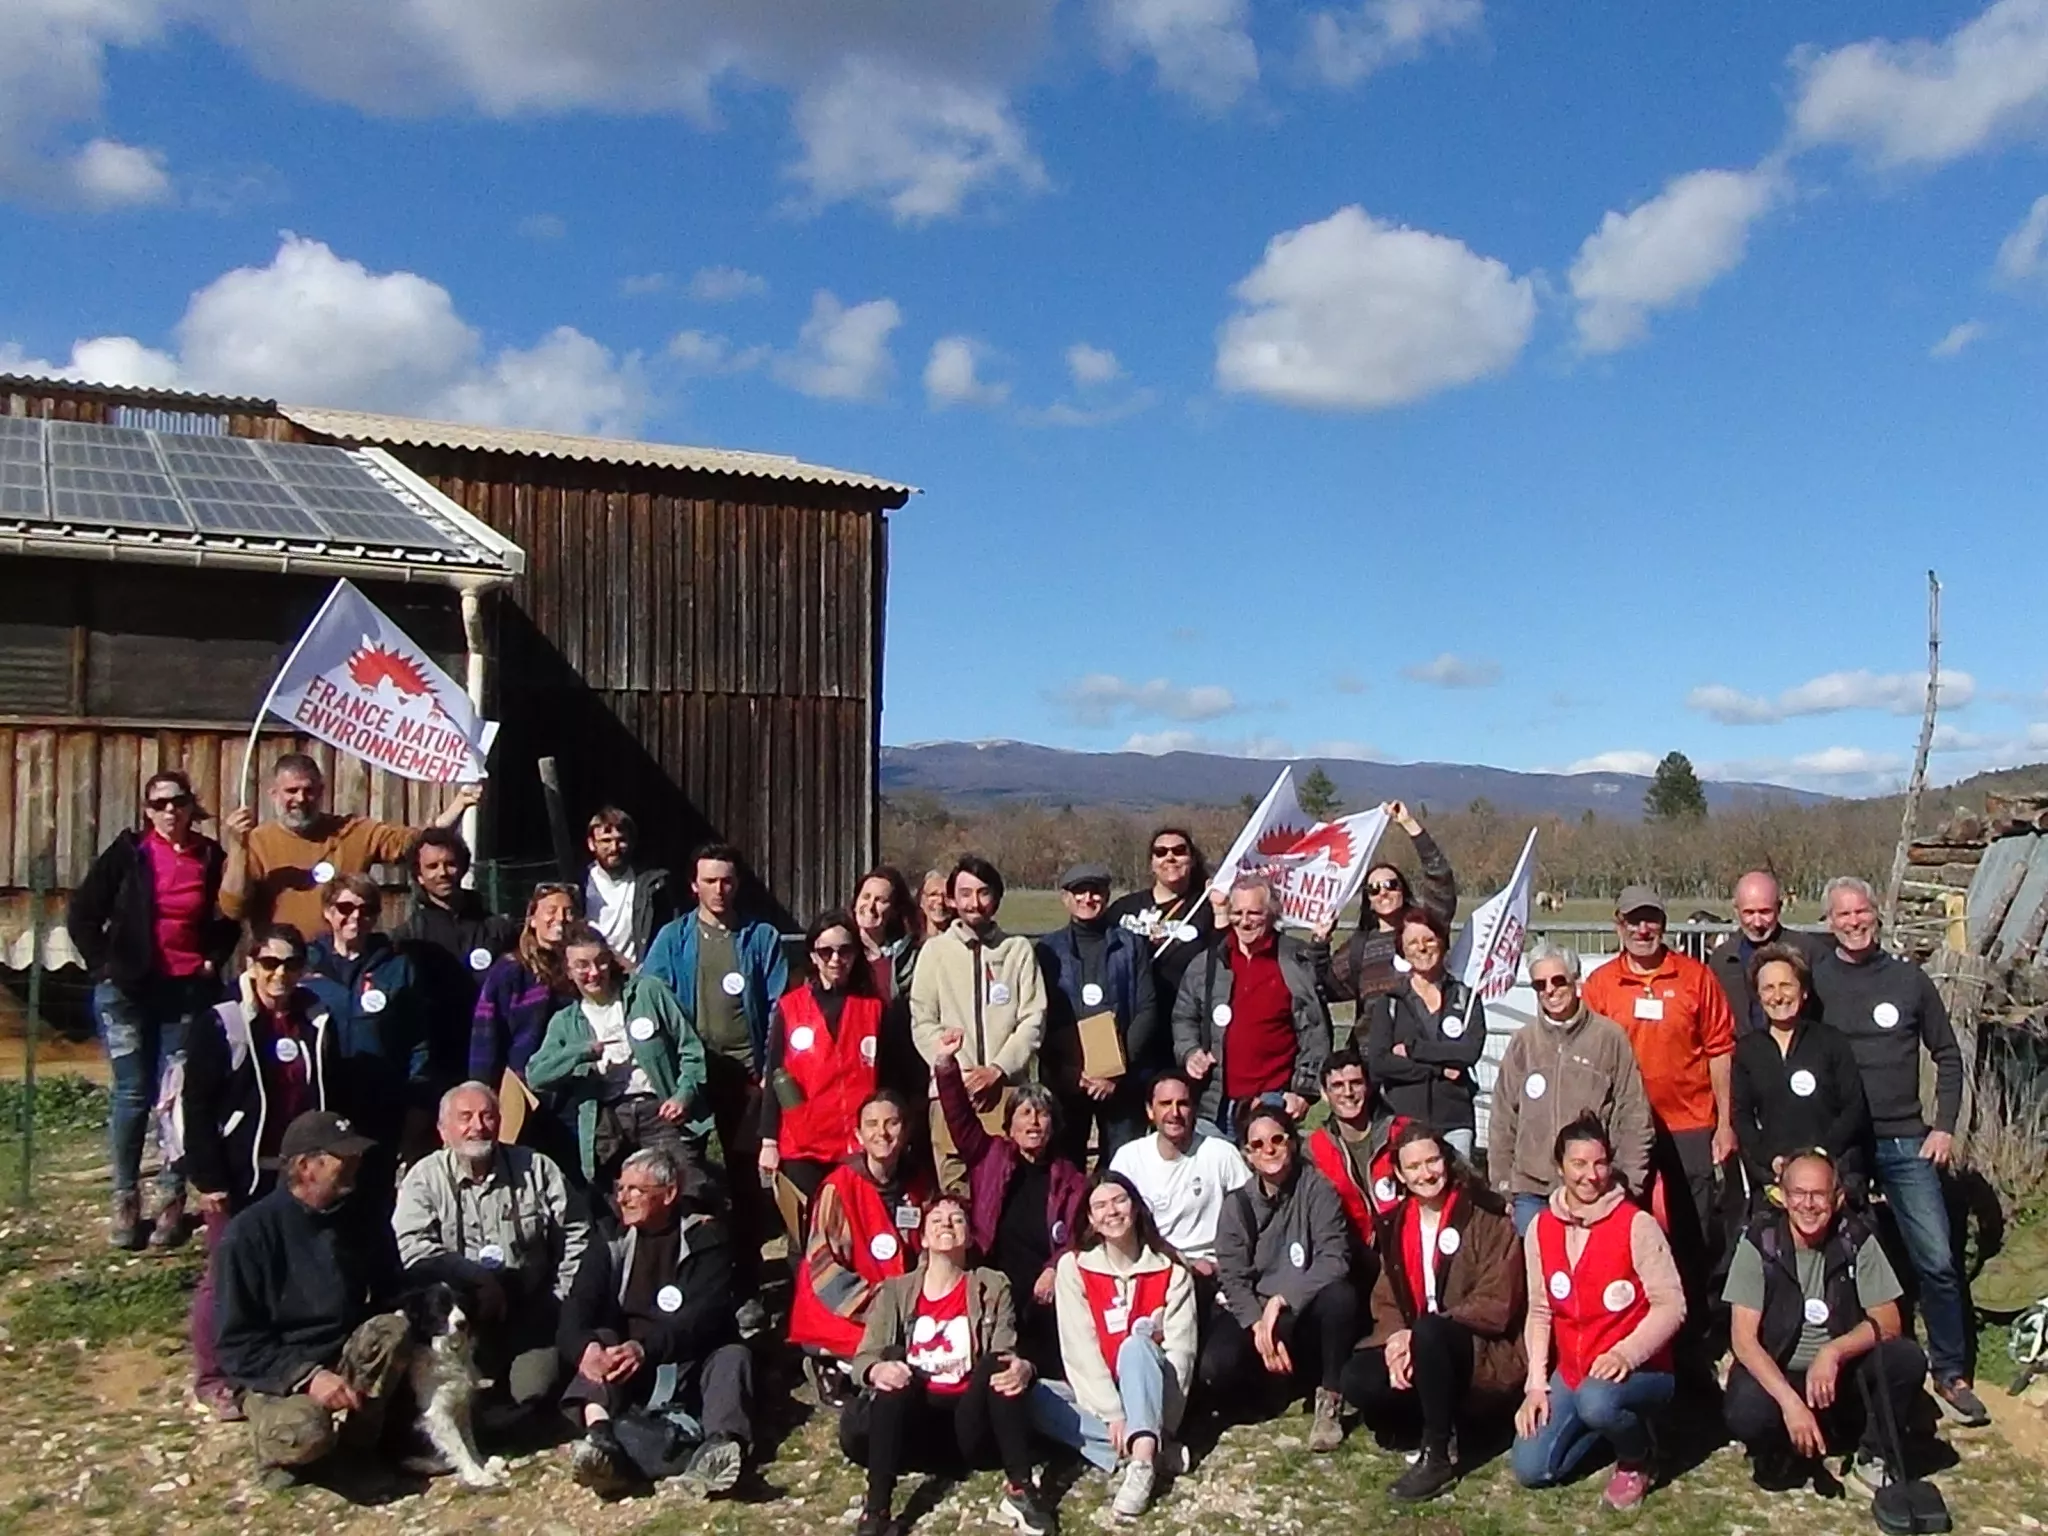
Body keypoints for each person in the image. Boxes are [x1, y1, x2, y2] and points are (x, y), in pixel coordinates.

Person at [1810, 875, 1984, 1426]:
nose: (1854, 922)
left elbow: (1949, 1058)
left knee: (1935, 1258)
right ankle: (1851, 1368)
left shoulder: (1909, 982)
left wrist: (1945, 1127)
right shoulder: (1816, 981)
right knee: (1839, 1261)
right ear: (1829, 922)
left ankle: (1950, 1371)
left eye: (1861, 912)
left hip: (1906, 1139)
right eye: (1843, 915)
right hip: (1843, 1146)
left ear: (1876, 915)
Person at [67, 768, 235, 1250]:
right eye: (158, 804)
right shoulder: (129, 853)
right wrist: (102, 964)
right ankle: (125, 1198)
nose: (169, 812)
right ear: (147, 811)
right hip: (128, 989)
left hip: (184, 990)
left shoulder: (209, 856)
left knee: (175, 1098)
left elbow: (229, 914)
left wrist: (213, 958)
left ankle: (169, 1199)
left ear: (190, 806)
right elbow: (82, 911)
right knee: (132, 1094)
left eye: (177, 802)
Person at [182, 924, 339, 1420]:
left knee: (285, 1270)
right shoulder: (221, 1022)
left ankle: (273, 1366)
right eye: (269, 963)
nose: (279, 974)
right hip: (237, 1170)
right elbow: (198, 1106)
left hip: (296, 1174)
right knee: (225, 1274)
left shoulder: (314, 1017)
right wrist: (208, 1180)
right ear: (250, 964)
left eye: (289, 964)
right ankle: (213, 1376)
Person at [213, 1110, 410, 1483]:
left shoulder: (362, 1215)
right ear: (305, 1167)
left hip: (341, 1352)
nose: (356, 1164)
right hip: (278, 1368)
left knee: (393, 1329)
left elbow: (390, 1291)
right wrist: (306, 1377)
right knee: (304, 1432)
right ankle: (281, 1451)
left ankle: (358, 1446)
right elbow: (236, 1344)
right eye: (343, 1158)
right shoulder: (250, 1233)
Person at [839, 1196, 1053, 1536]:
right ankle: (876, 1510)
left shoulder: (991, 1285)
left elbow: (1005, 1348)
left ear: (969, 1237)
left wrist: (1021, 1367)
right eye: (936, 1220)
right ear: (923, 1238)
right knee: (892, 1365)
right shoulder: (897, 1290)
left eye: (956, 1219)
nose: (946, 1225)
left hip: (969, 1420)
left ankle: (1022, 1488)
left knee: (997, 1363)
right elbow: (864, 1358)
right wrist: (878, 1371)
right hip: (917, 1416)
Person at [1722, 1149, 1929, 1494]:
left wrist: (1834, 1351)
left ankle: (1872, 1456)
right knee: (1746, 1406)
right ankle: (1783, 1448)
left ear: (1837, 1198)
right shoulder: (1759, 1242)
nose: (1809, 1204)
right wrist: (1790, 1403)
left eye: (1818, 1194)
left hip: (1840, 1375)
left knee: (1906, 1358)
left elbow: (1889, 1320)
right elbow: (1743, 1339)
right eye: (1799, 1194)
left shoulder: (1856, 1238)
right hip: (1782, 1369)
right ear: (1783, 1198)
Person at [1342, 1123, 1526, 1502]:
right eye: (1414, 1167)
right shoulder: (1397, 1224)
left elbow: (1498, 1301)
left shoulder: (1485, 1216)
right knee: (1358, 1378)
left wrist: (1425, 1331)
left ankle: (1439, 1455)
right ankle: (1441, 1422)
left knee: (1429, 1334)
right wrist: (1395, 1336)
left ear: (1446, 1160)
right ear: (1399, 1174)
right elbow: (1387, 1296)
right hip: (1419, 1341)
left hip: (1476, 1345)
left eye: (1432, 1162)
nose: (1426, 1174)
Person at [642, 842, 789, 1316]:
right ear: (694, 885)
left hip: (747, 1080)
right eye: (709, 881)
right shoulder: (672, 939)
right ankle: (692, 1284)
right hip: (693, 1082)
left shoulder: (760, 937)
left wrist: (769, 1072)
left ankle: (747, 1288)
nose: (719, 889)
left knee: (747, 1187)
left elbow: (778, 1010)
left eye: (726, 880)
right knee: (692, 1183)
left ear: (737, 883)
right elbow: (652, 1000)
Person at [1578, 885, 1737, 1323]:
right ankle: (1633, 1314)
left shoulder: (1696, 978)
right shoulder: (1601, 985)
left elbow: (1720, 1049)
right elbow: (1587, 1055)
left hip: (1689, 1121)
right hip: (1626, 1126)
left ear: (1664, 925)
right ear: (1618, 924)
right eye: (1633, 920)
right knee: (1627, 1220)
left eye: (1651, 919)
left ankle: (1697, 1321)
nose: (1642, 929)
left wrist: (1725, 1124)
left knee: (1694, 1226)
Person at [1511, 1114, 1685, 1513]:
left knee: (1598, 1400)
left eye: (1600, 1163)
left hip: (1638, 1369)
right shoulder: (1541, 1228)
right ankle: (1611, 1430)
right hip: (1573, 1370)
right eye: (1579, 1164)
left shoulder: (1636, 1224)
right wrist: (1536, 1385)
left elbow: (1672, 1305)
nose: (1592, 1175)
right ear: (1560, 1168)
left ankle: (1637, 1458)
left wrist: (1627, 1353)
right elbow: (1540, 1309)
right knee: (1531, 1469)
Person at [557, 1147, 752, 1499]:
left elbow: (704, 1317)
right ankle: (601, 1442)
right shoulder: (610, 1239)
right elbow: (576, 1307)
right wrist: (586, 1350)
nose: (624, 1198)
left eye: (637, 1190)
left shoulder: (706, 1237)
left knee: (732, 1356)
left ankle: (721, 1449)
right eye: (620, 1188)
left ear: (670, 1194)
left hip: (687, 1357)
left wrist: (645, 1349)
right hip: (627, 1364)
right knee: (599, 1340)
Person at [394, 1081, 590, 1418]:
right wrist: (476, 1280)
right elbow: (412, 1249)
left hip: (529, 1312)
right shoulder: (423, 1178)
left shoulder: (538, 1168)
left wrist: (562, 1295)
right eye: (465, 1117)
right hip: (458, 1319)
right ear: (443, 1130)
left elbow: (578, 1234)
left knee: (533, 1391)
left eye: (487, 1116)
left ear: (500, 1122)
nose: (477, 1127)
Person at [1034, 1171, 1198, 1520]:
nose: (1112, 1212)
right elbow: (1079, 1347)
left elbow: (1182, 1354)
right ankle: (1151, 1448)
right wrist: (1113, 1413)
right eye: (1100, 1206)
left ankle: (1140, 1465)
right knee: (1032, 1395)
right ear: (1090, 1220)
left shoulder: (1172, 1271)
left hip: (1154, 1393)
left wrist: (1160, 1420)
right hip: (1099, 1401)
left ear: (1135, 1207)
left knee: (1135, 1347)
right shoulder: (1074, 1267)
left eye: (1119, 1201)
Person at [1201, 1106, 1358, 1452]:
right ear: (1247, 1154)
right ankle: (1273, 1390)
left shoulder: (1317, 1190)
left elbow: (1335, 1258)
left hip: (1303, 1307)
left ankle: (1330, 1397)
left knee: (1341, 1298)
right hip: (1258, 1314)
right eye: (1257, 1145)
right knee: (1216, 1366)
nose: (1268, 1150)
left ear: (1292, 1142)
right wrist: (1257, 1325)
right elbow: (1233, 1276)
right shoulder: (1237, 1205)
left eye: (1276, 1140)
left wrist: (1283, 1299)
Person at [933, 1026, 1087, 1378]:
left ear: (1053, 1125)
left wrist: (1054, 1267)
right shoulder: (990, 1155)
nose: (1033, 1121)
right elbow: (958, 1115)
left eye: (1042, 1114)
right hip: (991, 1279)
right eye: (1025, 1113)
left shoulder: (1071, 1178)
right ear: (1010, 1125)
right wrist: (946, 1062)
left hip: (1042, 1290)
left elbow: (1081, 1234)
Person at [525, 922, 711, 1192]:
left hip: (658, 1109)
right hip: (606, 1118)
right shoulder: (565, 1021)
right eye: (582, 965)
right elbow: (536, 1075)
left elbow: (691, 1048)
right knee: (619, 1201)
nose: (593, 973)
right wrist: (581, 1052)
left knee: (683, 1191)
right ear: (568, 970)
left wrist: (684, 1094)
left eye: (601, 962)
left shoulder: (648, 992)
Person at [1489, 944, 1654, 1235]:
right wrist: (1502, 1185)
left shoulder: (1609, 1038)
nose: (1550, 990)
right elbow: (1503, 1119)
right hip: (1532, 1192)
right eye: (1540, 984)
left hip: (1594, 1188)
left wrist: (1630, 1181)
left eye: (1558, 981)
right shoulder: (1523, 1044)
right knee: (1535, 1277)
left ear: (1576, 981)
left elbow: (1634, 1114)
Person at [219, 751, 478, 937]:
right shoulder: (255, 842)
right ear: (273, 793)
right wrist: (238, 847)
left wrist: (460, 804)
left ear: (322, 791)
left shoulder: (351, 831)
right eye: (292, 791)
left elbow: (419, 844)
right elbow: (233, 907)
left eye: (309, 790)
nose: (301, 798)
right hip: (283, 971)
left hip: (344, 969)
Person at [787, 1090, 936, 1408]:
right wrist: (877, 1305)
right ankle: (831, 1364)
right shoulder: (838, 1187)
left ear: (906, 1131)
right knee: (885, 1344)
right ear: (858, 1135)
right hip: (848, 1301)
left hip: (903, 1298)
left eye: (892, 1123)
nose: (882, 1133)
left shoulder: (919, 1183)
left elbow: (929, 1249)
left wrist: (919, 1293)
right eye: (872, 1124)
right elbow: (823, 1263)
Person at [909, 856, 1047, 1190]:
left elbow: (1033, 1018)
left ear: (996, 898)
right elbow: (922, 1021)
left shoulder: (1018, 952)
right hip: (951, 1094)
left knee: (1008, 1188)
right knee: (956, 1190)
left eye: (983, 893)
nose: (974, 903)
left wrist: (998, 1070)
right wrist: (961, 1074)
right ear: (952, 900)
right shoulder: (934, 953)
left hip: (1008, 1092)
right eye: (965, 893)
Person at [1171, 874, 1331, 1137]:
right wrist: (1190, 1052)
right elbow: (1184, 1016)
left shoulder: (1295, 961)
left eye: (1254, 913)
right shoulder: (1209, 962)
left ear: (1272, 914)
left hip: (1273, 1099)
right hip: (1216, 1102)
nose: (1245, 921)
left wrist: (1304, 1091)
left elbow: (1315, 1031)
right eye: (1238, 912)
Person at [301, 873, 429, 1183]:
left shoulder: (398, 967)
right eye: (345, 907)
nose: (355, 916)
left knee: (374, 1190)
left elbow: (419, 1039)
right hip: (320, 1101)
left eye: (367, 909)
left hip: (380, 1101)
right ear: (328, 912)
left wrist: (417, 1099)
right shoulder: (303, 966)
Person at [758, 911, 886, 1209]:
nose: (835, 959)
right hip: (801, 1145)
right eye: (825, 951)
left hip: (857, 1145)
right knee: (804, 1236)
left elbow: (891, 1079)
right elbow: (775, 1075)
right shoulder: (790, 1008)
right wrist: (769, 1142)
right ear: (813, 957)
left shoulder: (875, 1009)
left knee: (853, 1231)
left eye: (844, 950)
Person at [1036, 862, 1156, 1168]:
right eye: (1079, 891)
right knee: (1064, 1170)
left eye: (1095, 891)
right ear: (1065, 898)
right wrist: (1074, 1074)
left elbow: (1146, 1008)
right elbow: (1041, 1016)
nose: (1087, 898)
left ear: (1106, 895)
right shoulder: (1047, 950)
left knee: (1123, 1169)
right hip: (1068, 1082)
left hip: (1121, 1082)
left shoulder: (1131, 945)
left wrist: (1115, 1070)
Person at [1729, 944, 1868, 1202]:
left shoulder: (1831, 1042)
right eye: (1768, 988)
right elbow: (1742, 1116)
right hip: (1775, 1174)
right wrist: (1771, 1160)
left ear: (1803, 992)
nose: (1778, 996)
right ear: (1758, 996)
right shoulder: (1748, 1050)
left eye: (1786, 985)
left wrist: (1819, 1155)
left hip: (1830, 1171)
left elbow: (1853, 1109)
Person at [391, 827, 517, 1095]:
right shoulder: (407, 938)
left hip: (491, 1053)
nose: (442, 873)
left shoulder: (497, 929)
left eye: (450, 864)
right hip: (436, 1061)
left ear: (462, 867)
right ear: (419, 876)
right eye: (432, 866)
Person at [1357, 908, 1486, 1159]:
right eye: (1413, 943)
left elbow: (1468, 1052)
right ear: (1402, 950)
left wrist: (1413, 1049)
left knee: (1458, 1193)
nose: (1422, 948)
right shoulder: (1390, 1003)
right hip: (1405, 1120)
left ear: (1443, 942)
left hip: (1455, 1121)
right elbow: (1380, 1064)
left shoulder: (1466, 999)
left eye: (1429, 939)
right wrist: (1438, 1069)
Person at [1307, 801, 1456, 1006]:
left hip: (1422, 1037)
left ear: (1402, 890)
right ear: (1368, 900)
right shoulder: (1358, 948)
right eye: (1374, 889)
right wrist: (1319, 944)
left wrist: (1410, 825)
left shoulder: (1427, 931)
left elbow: (1441, 878)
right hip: (1370, 1038)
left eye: (1390, 884)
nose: (1383, 892)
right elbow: (1324, 988)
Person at [1108, 1071, 1251, 1279]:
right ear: (1150, 1111)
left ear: (1193, 1109)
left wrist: (1226, 1262)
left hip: (1212, 1269)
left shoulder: (1221, 1153)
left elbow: (1252, 1212)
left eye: (1182, 1104)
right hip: (1151, 1266)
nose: (1174, 1112)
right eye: (1165, 1104)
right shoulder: (1129, 1158)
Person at [1107, 826, 1217, 1086]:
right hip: (1133, 1033)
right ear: (1151, 863)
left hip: (1186, 1032)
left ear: (1192, 859)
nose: (1170, 857)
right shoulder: (1124, 909)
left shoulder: (1206, 907)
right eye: (1161, 852)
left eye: (1179, 851)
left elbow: (1223, 959)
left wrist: (1220, 907)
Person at [468, 881, 579, 1086]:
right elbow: (486, 1036)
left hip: (577, 1083)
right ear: (533, 919)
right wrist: (482, 1088)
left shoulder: (585, 970)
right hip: (525, 1087)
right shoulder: (510, 971)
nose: (561, 918)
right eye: (551, 911)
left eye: (569, 911)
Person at [1302, 1046, 1406, 1255]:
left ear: (1367, 1087)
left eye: (1356, 1083)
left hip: (1405, 1242)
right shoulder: (1314, 1148)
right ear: (1324, 1093)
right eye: (1338, 1086)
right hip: (1349, 1251)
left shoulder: (1401, 1132)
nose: (1348, 1093)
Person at [1708, 871, 1832, 1037]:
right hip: (1742, 1055)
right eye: (1749, 913)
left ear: (1779, 908)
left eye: (1765, 912)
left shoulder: (1809, 951)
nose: (1757, 922)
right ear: (1736, 909)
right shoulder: (1722, 959)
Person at [853, 865, 931, 1107]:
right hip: (853, 1066)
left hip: (898, 1066)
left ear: (895, 910)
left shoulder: (911, 957)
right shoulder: (839, 953)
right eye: (866, 897)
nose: (871, 906)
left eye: (881, 900)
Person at [580, 806, 676, 970]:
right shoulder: (579, 884)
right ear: (591, 844)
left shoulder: (652, 885)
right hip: (591, 973)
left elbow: (669, 933)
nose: (614, 848)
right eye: (606, 840)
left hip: (635, 973)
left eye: (621, 840)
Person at [915, 867, 954, 945]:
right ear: (922, 901)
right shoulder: (909, 947)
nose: (940, 901)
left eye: (947, 896)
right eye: (933, 894)